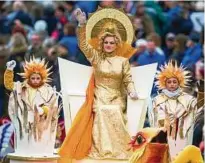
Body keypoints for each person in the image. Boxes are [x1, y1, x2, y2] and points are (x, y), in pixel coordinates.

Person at [59, 8, 138, 161]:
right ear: (102, 43)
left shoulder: (123, 61)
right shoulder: (96, 58)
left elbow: (128, 79)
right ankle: (102, 150)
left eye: (112, 43)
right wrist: (82, 25)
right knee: (102, 111)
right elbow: (84, 46)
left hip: (116, 95)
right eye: (106, 42)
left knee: (114, 111)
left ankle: (119, 149)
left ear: (117, 44)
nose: (109, 45)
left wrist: (132, 91)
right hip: (100, 94)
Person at [4, 58, 59, 152]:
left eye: (38, 78)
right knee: (26, 147)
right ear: (28, 78)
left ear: (42, 78)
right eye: (33, 78)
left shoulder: (48, 90)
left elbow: (52, 105)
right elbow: (9, 85)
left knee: (39, 147)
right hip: (24, 122)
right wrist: (9, 70)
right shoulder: (21, 87)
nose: (35, 81)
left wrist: (44, 110)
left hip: (42, 123)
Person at [149, 60, 198, 160]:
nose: (172, 84)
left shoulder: (188, 99)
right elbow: (154, 116)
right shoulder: (158, 100)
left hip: (181, 133)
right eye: (169, 82)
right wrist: (164, 123)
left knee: (180, 155)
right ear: (164, 83)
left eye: (174, 82)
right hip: (165, 134)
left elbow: (193, 114)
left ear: (179, 83)